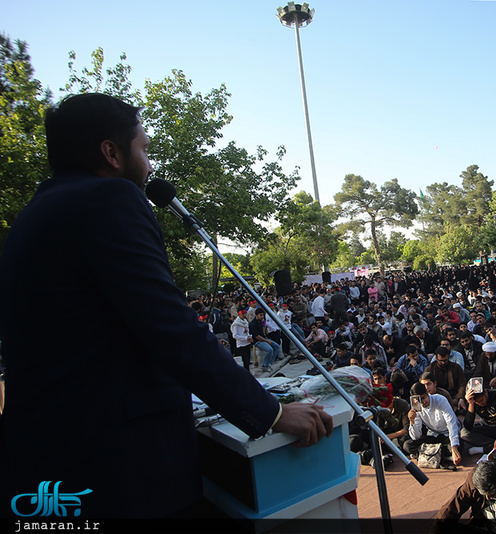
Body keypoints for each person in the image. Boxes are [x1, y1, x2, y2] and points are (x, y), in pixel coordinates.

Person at [0, 93, 332, 518]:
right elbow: (172, 329)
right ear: (112, 152)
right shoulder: (109, 200)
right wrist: (270, 414)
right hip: (117, 468)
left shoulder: (33, 214)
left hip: (47, 461)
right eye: (145, 149)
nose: (151, 165)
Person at [405, 382, 462, 466]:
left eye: (424, 398)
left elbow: (451, 423)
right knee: (407, 445)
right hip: (433, 436)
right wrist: (412, 421)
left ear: (427, 393)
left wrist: (454, 447)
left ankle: (428, 456)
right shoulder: (416, 407)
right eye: (419, 400)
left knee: (459, 445)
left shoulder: (440, 400)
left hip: (447, 435)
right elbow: (416, 437)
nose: (423, 403)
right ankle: (442, 457)